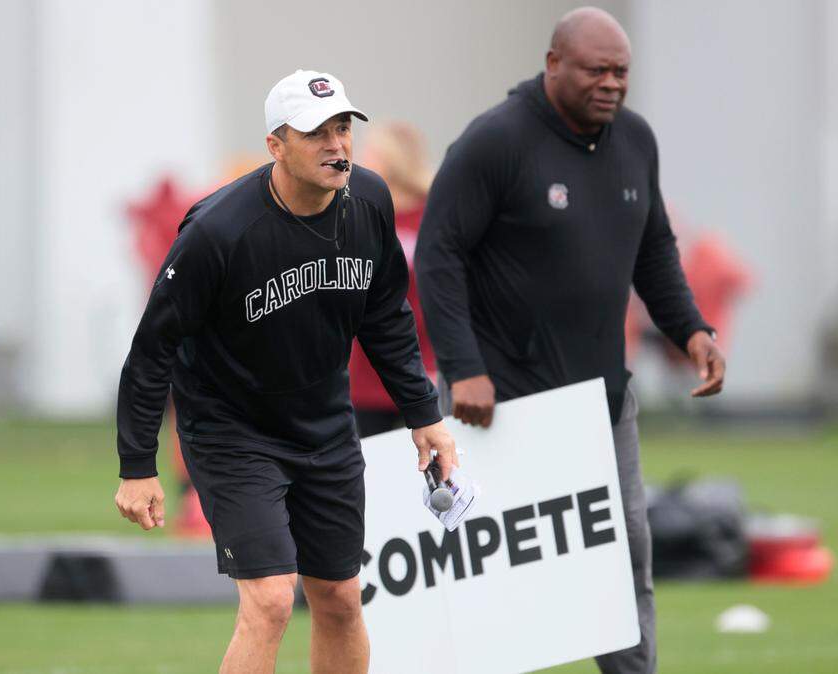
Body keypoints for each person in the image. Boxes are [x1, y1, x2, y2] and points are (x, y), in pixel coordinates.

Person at [113, 69, 457, 674]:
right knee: (271, 600)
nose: (336, 144)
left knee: (341, 599)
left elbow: (386, 317)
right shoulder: (218, 230)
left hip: (325, 425)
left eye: (343, 128)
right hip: (233, 432)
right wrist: (138, 466)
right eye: (315, 132)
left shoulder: (369, 201)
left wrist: (423, 416)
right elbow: (152, 349)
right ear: (276, 145)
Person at [415, 8, 725, 674]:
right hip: (498, 400)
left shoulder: (636, 140)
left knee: (623, 558)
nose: (611, 84)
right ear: (553, 63)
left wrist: (691, 329)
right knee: (483, 570)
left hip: (599, 402)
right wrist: (463, 368)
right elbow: (438, 255)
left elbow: (654, 248)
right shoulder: (496, 142)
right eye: (596, 70)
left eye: (621, 72)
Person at [349, 121, 438, 436]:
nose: (360, 160)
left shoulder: (431, 215)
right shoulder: (359, 215)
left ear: (391, 158)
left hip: (423, 366)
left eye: (370, 152)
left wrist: (437, 362)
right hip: (367, 374)